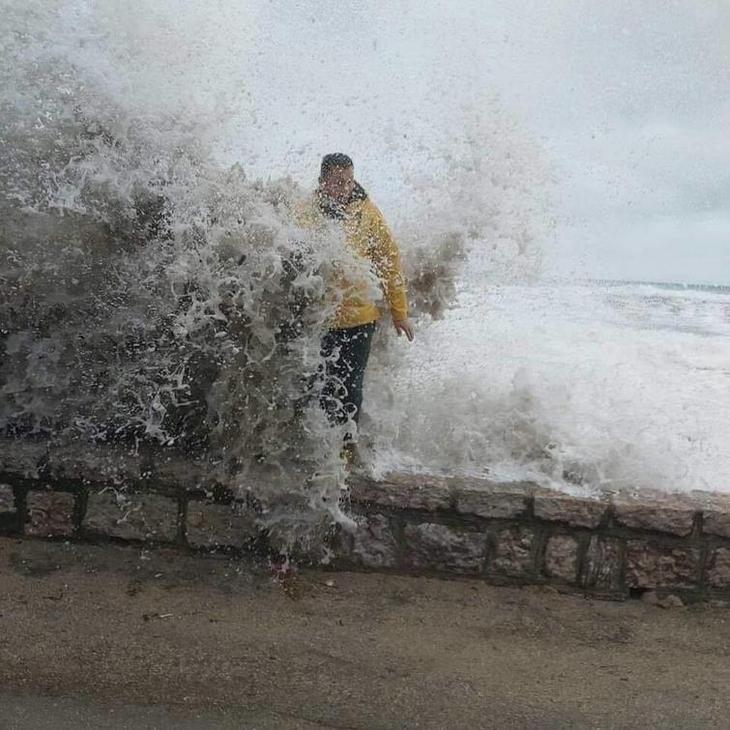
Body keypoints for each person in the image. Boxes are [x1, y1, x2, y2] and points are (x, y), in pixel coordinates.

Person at [295, 153, 414, 463]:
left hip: (360, 319)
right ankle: (319, 452)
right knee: (319, 387)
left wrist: (399, 312)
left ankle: (347, 449)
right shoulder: (305, 212)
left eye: (348, 181)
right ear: (323, 182)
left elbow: (389, 261)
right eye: (337, 182)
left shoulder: (368, 213)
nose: (344, 187)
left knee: (351, 387)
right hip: (320, 320)